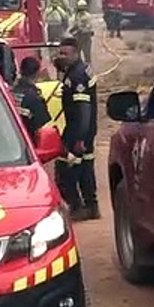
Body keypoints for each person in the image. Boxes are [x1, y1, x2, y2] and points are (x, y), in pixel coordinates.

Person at [54, 37, 99, 221]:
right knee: (85, 169)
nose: (62, 57)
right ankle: (91, 206)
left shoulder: (77, 76)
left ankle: (78, 207)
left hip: (78, 131)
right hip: (84, 130)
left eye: (66, 54)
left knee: (66, 170)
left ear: (76, 53)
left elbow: (83, 109)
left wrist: (79, 138)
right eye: (60, 53)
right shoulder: (76, 70)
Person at [11, 56, 52, 140]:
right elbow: (42, 125)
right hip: (28, 141)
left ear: (20, 70)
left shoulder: (8, 92)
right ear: (37, 73)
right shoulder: (34, 97)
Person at [70, 0, 94, 66]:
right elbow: (74, 25)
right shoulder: (75, 16)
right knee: (77, 53)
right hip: (79, 36)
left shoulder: (87, 16)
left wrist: (82, 29)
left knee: (87, 53)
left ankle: (88, 67)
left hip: (85, 36)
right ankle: (80, 66)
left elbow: (89, 26)